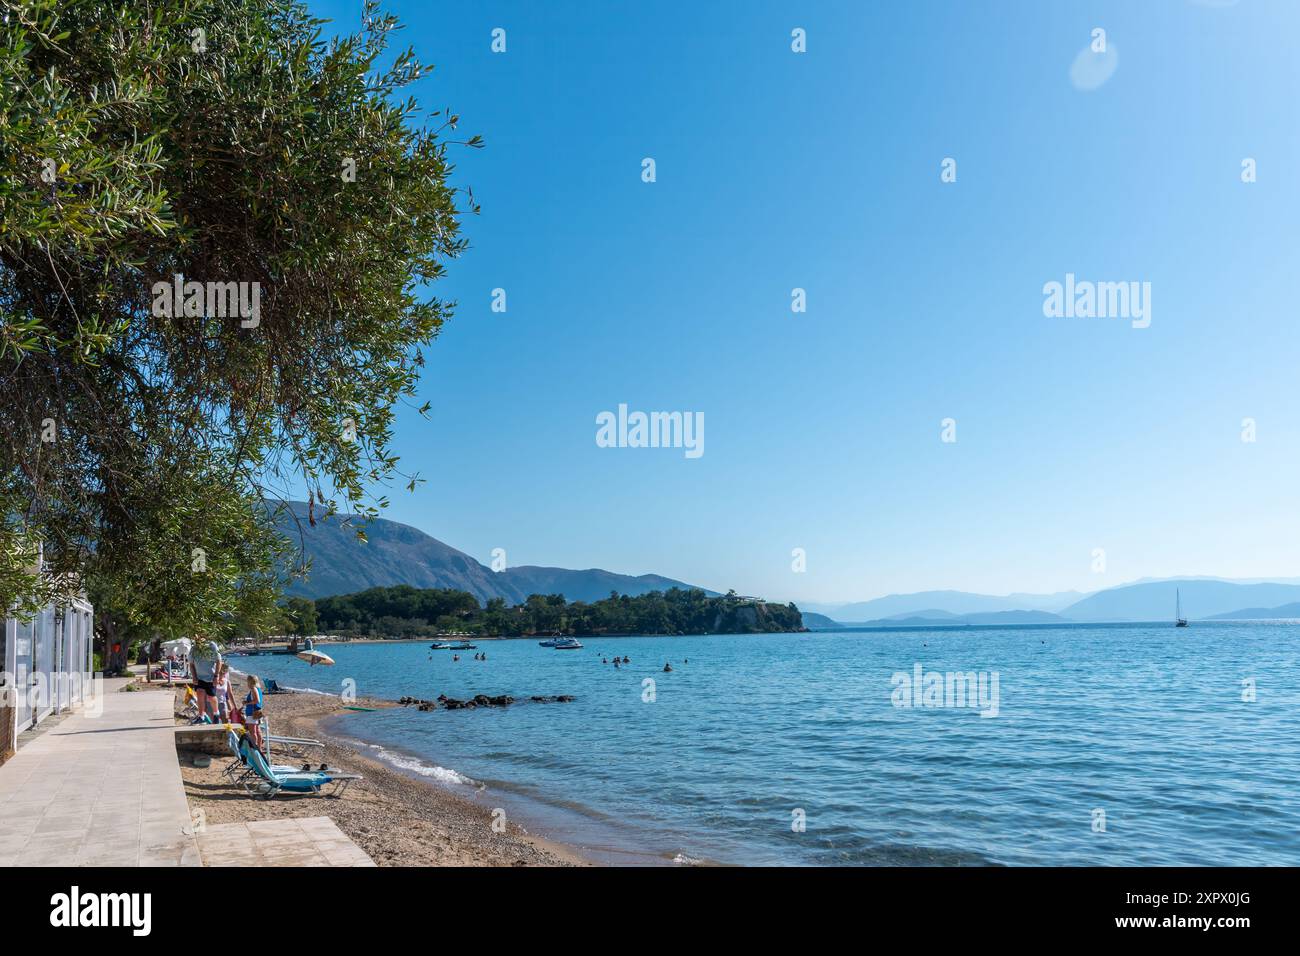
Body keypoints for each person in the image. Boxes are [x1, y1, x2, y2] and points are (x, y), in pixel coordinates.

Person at [188, 638, 222, 722]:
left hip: (210, 677)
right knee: (199, 693)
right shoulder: (194, 649)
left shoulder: (211, 645)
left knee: (211, 697)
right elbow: (191, 664)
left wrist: (216, 676)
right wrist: (194, 676)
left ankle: (216, 713)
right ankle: (201, 716)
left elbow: (219, 661)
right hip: (199, 677)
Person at [243, 674, 265, 753]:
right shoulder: (258, 689)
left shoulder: (253, 689)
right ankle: (259, 749)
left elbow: (257, 701)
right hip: (257, 712)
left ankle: (254, 748)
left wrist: (247, 703)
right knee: (258, 732)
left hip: (252, 713)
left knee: (253, 732)